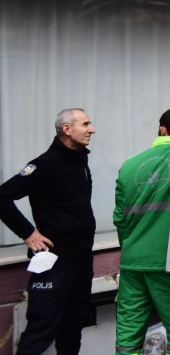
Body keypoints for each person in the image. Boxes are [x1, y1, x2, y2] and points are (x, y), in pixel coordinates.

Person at [0, 108, 96, 355]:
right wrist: (28, 233)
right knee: (41, 329)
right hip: (55, 261)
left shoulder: (80, 160)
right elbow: (2, 197)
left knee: (73, 325)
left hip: (82, 258)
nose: (91, 129)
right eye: (85, 124)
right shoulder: (45, 164)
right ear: (67, 129)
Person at [113, 107, 170, 355]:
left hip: (132, 264)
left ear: (162, 129)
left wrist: (131, 248)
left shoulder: (129, 165)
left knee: (128, 335)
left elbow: (119, 218)